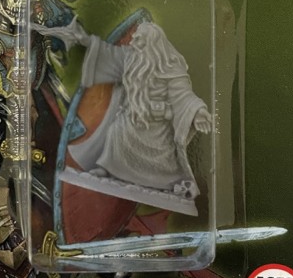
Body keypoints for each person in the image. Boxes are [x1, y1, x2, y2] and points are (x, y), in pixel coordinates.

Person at [35, 18, 212, 198]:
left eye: (140, 40)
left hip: (158, 129)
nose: (134, 42)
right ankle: (107, 169)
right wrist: (85, 39)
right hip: (133, 121)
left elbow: (184, 96)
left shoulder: (170, 68)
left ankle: (172, 183)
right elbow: (107, 53)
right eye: (136, 39)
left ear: (153, 43)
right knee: (116, 130)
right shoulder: (133, 58)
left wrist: (198, 112)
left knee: (164, 159)